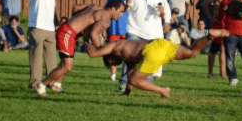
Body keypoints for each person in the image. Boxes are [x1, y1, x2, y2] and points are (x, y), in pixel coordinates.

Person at [85, 29, 229, 98]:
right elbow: (130, 76)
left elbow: (92, 53)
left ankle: (164, 90)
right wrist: (126, 93)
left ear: (110, 57)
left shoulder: (114, 46)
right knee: (192, 52)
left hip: (152, 51)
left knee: (135, 79)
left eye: (112, 62)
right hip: (160, 43)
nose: (114, 64)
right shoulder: (126, 54)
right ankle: (209, 36)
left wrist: (83, 36)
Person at [34, 0, 128, 97]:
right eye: (120, 11)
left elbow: (76, 8)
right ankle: (41, 85)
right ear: (113, 9)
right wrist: (102, 51)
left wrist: (78, 22)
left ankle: (56, 85)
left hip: (68, 31)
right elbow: (93, 33)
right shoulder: (106, 18)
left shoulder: (98, 8)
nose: (121, 14)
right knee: (67, 66)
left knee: (65, 63)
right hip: (68, 33)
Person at [118, 0, 171, 92]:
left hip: (152, 32)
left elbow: (165, 11)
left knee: (151, 58)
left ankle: (147, 83)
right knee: (129, 55)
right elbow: (127, 9)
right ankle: (124, 82)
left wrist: (165, 19)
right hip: (134, 29)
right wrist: (127, 5)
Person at [28, 0, 65, 89]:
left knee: (51, 57)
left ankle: (51, 81)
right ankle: (35, 83)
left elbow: (52, 6)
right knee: (36, 57)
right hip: (36, 25)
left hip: (49, 27)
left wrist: (56, 23)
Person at [202, 0, 233, 79]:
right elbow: (205, 5)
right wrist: (211, 18)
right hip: (218, 23)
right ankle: (210, 72)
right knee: (214, 49)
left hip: (228, 23)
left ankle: (222, 73)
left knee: (224, 48)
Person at [106, 0, 130, 81]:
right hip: (113, 28)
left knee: (126, 53)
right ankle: (113, 75)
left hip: (126, 28)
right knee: (112, 52)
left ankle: (125, 75)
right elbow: (106, 11)